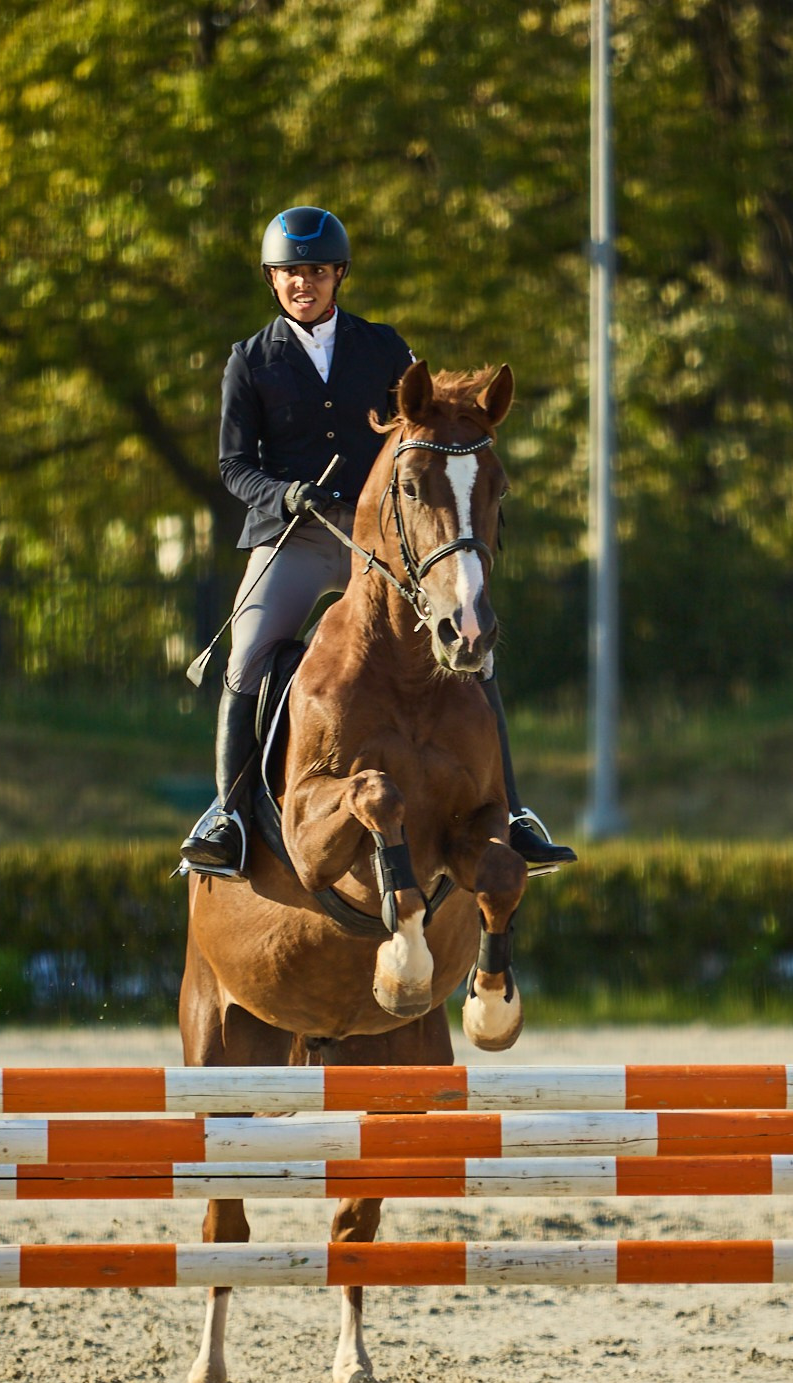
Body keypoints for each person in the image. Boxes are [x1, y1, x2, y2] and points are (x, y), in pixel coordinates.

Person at [177, 205, 576, 880]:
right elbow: (234, 466)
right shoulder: (250, 360)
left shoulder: (383, 346)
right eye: (291, 274)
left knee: (473, 650)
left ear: (339, 276)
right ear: (274, 281)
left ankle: (512, 814)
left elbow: (426, 424)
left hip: (383, 544)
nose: (305, 284)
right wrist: (284, 494)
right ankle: (229, 814)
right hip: (296, 536)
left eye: (318, 273)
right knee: (246, 655)